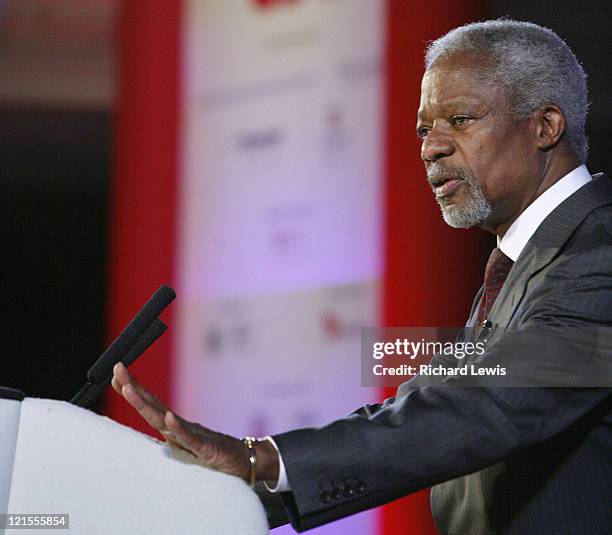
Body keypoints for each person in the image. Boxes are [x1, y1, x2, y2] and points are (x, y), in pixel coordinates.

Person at [111, 20, 612, 534]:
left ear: (545, 126)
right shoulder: (523, 263)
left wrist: (266, 458)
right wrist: (232, 486)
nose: (430, 148)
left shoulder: (599, 253)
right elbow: (424, 407)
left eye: (460, 120)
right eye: (424, 129)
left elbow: (488, 403)